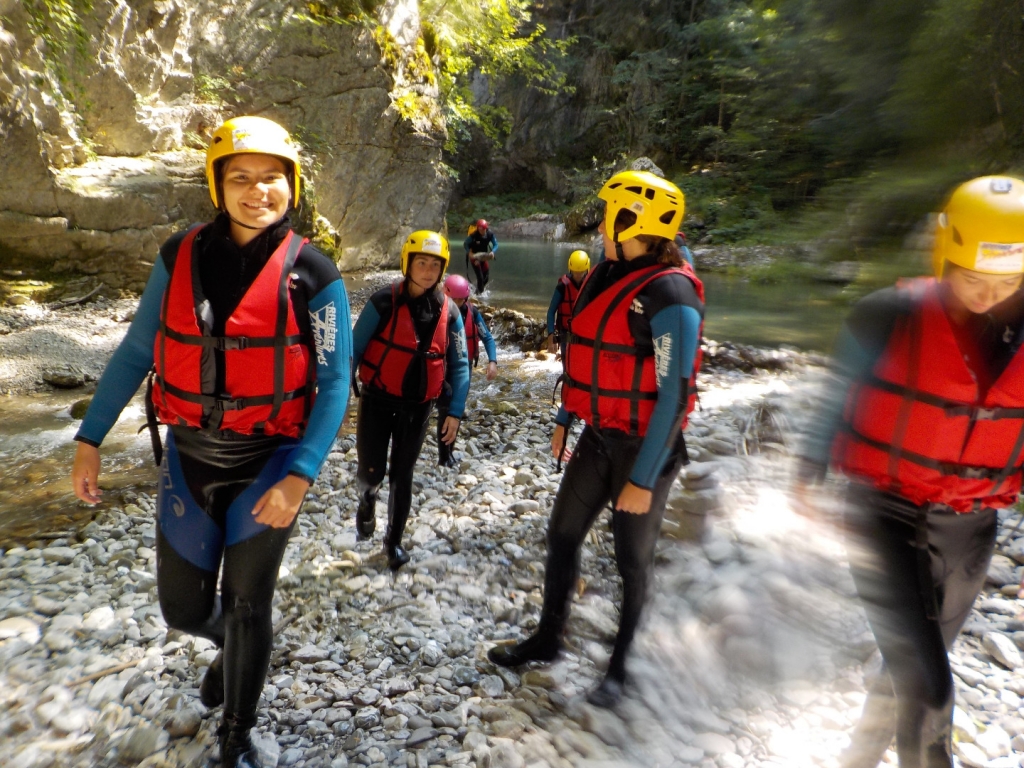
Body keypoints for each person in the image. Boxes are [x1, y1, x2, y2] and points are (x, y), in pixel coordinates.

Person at [69, 116, 352, 767]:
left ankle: (236, 737)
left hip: (271, 458)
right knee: (182, 608)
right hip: (190, 455)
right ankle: (243, 644)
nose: (258, 191)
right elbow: (140, 348)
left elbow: (336, 382)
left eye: (272, 178)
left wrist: (300, 474)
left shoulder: (314, 271)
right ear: (217, 185)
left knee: (251, 601)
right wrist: (91, 437)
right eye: (241, 178)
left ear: (293, 184)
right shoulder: (179, 255)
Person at [795, 176, 1024, 768]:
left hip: (972, 529)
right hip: (883, 515)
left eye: (1007, 282)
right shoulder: (886, 315)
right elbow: (834, 400)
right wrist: (806, 475)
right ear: (942, 252)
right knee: (931, 687)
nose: (988, 295)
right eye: (972, 277)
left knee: (915, 672)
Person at [487, 170, 704, 709]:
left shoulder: (671, 292)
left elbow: (674, 397)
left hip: (646, 450)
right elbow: (587, 355)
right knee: (562, 535)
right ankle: (548, 638)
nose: (602, 223)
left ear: (634, 220)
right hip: (600, 434)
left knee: (633, 561)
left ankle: (621, 667)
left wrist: (643, 479)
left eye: (611, 214)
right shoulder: (608, 272)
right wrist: (566, 414)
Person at [352, 230, 470, 569]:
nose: (429, 270)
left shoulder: (450, 312)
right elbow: (355, 348)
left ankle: (394, 542)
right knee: (372, 470)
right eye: (422, 262)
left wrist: (455, 412)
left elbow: (460, 364)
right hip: (377, 399)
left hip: (418, 408)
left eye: (435, 264)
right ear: (408, 263)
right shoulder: (383, 301)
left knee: (402, 475)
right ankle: (367, 498)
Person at [437, 274, 498, 467]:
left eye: (460, 300)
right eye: (453, 299)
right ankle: (443, 456)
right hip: (441, 365)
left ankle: (448, 453)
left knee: (455, 407)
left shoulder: (473, 312)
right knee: (444, 408)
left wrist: (493, 361)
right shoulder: (435, 310)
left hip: (464, 366)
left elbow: (487, 338)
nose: (456, 303)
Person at [546, 250, 591, 363]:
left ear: (587, 270)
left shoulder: (591, 285)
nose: (578, 276)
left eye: (581, 272)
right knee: (567, 365)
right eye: (575, 272)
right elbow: (551, 312)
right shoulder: (562, 286)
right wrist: (551, 336)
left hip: (585, 332)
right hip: (566, 333)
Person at [464, 218, 498, 294]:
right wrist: (469, 252)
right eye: (479, 229)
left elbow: (496, 244)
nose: (481, 231)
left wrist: (492, 252)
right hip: (475, 257)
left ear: (485, 228)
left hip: (483, 257)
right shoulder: (474, 235)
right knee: (480, 277)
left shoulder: (490, 234)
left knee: (486, 278)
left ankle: (477, 292)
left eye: (482, 229)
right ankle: (480, 296)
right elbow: (465, 244)